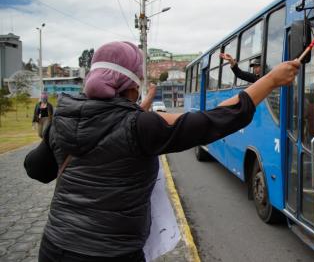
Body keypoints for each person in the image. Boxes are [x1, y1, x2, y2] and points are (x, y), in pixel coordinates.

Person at [24, 41, 299, 262]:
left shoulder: (63, 117)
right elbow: (215, 120)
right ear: (133, 84)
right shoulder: (141, 126)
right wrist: (272, 80)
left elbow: (36, 169)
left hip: (55, 247)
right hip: (113, 253)